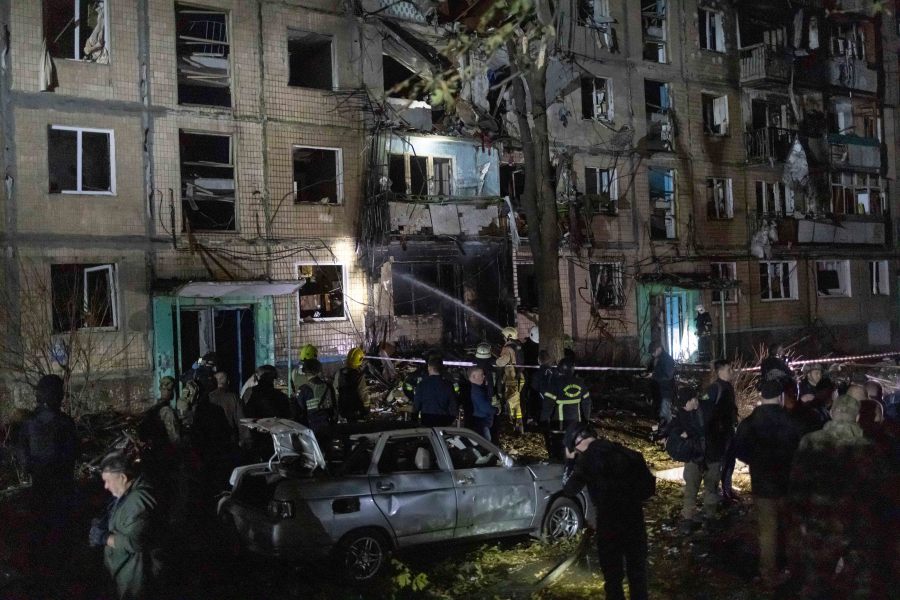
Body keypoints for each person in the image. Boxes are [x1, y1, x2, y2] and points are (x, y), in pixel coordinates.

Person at [789, 394, 889, 600]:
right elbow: (879, 491)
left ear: (832, 413)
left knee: (817, 580)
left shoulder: (810, 441)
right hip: (856, 524)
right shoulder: (869, 449)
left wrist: (799, 519)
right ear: (857, 416)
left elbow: (797, 485)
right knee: (858, 583)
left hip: (820, 523)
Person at [562, 423, 649, 600]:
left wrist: (570, 462)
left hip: (609, 522)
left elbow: (569, 489)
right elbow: (647, 488)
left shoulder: (587, 460)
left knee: (613, 577)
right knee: (638, 574)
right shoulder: (626, 452)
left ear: (576, 443)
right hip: (634, 519)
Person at [733, 379, 801, 588]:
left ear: (761, 397)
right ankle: (793, 569)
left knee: (767, 531)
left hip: (763, 484)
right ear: (780, 397)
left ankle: (769, 574)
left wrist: (755, 461)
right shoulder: (791, 421)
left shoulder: (750, 422)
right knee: (789, 528)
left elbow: (739, 449)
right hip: (787, 482)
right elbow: (800, 449)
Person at [95, 451, 162, 600]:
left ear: (123, 477)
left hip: (134, 582)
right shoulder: (127, 492)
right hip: (126, 576)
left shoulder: (138, 501)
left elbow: (135, 542)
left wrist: (105, 538)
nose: (105, 486)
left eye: (108, 481)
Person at [665, 386, 716, 533]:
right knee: (690, 487)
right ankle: (688, 517)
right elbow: (672, 427)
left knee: (711, 487)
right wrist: (680, 433)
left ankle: (709, 517)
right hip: (693, 456)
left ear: (693, 400)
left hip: (712, 455)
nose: (683, 407)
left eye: (685, 403)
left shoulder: (709, 409)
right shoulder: (683, 412)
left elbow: (719, 431)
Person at [542, 356, 591, 460]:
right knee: (572, 445)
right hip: (575, 423)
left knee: (558, 447)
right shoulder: (580, 383)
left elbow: (548, 404)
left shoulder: (555, 383)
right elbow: (587, 403)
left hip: (558, 423)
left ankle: (556, 463)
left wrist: (544, 419)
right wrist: (586, 419)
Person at [705, 360, 739, 502]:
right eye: (728, 369)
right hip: (719, 433)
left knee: (730, 461)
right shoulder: (715, 388)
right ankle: (717, 493)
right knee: (719, 463)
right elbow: (708, 410)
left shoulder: (728, 387)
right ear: (720, 371)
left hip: (729, 430)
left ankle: (727, 489)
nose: (731, 371)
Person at [295, 359, 337, 438]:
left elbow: (299, 411)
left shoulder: (303, 389)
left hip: (310, 428)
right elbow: (334, 407)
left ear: (305, 372)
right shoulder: (328, 386)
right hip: (327, 426)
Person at [413, 355, 458, 427]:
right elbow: (453, 407)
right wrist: (449, 421)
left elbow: (416, 405)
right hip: (443, 421)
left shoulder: (422, 384)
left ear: (430, 368)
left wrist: (414, 421)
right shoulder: (448, 385)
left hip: (427, 420)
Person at [794, 363, 834, 435]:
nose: (819, 376)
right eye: (816, 373)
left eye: (820, 373)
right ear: (808, 374)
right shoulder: (800, 389)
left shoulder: (823, 387)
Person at [647, 341, 676, 427]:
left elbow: (668, 376)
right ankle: (663, 430)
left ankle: (667, 433)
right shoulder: (657, 359)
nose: (652, 354)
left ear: (659, 349)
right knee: (660, 413)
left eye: (653, 351)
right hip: (658, 391)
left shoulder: (668, 360)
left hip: (665, 391)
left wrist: (653, 375)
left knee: (665, 414)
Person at [336, 347, 368, 422]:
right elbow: (363, 393)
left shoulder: (339, 373)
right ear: (360, 360)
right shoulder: (359, 375)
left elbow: (336, 391)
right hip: (356, 410)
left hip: (343, 409)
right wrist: (366, 409)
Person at [467, 366, 494, 441]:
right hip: (481, 422)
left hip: (479, 422)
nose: (484, 376)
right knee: (486, 444)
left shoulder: (475, 388)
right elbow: (484, 407)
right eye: (481, 374)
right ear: (474, 376)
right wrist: (496, 410)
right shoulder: (477, 391)